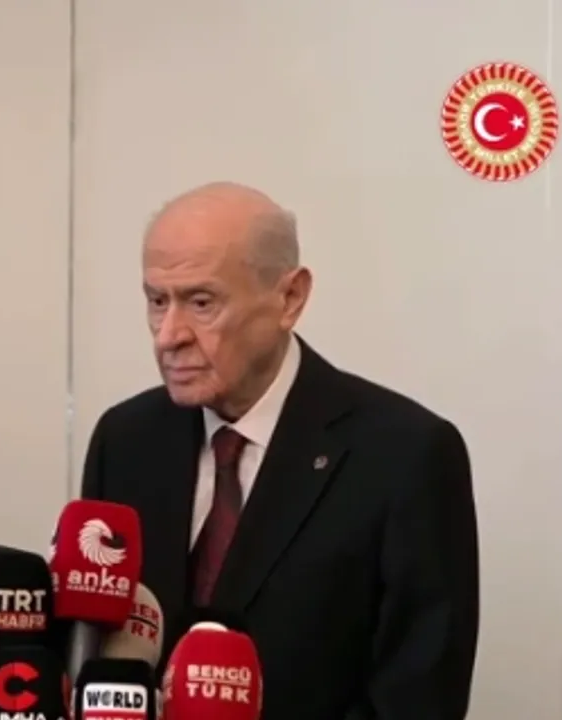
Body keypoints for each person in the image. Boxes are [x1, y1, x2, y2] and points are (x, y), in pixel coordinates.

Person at [81, 182, 479, 719]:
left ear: (289, 299)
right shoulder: (126, 439)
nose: (168, 335)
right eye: (157, 301)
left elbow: (418, 698)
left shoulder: (405, 455)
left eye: (202, 303)